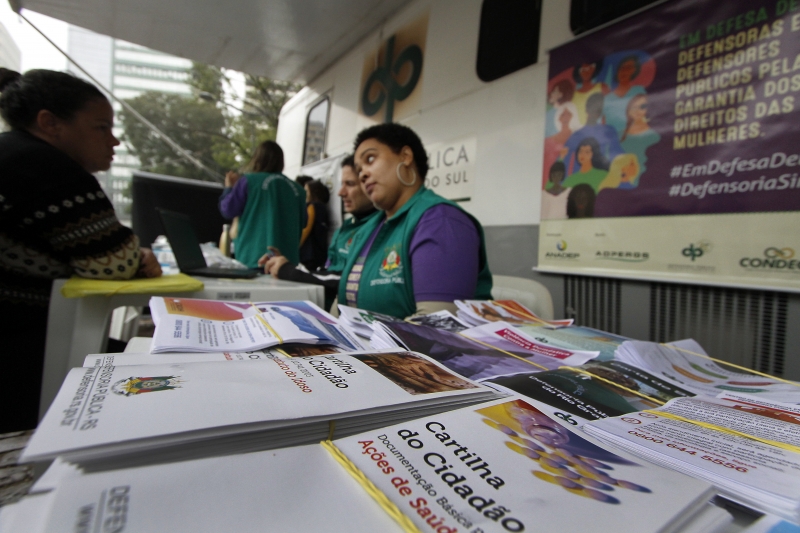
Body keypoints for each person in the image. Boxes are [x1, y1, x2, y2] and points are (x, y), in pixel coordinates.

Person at [0, 68, 162, 432]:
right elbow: (114, 262)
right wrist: (137, 258)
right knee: (162, 373)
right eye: (101, 127)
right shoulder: (45, 166)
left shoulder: (15, 153)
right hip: (20, 349)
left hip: (23, 331)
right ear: (50, 123)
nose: (114, 140)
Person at [338, 123, 492, 319]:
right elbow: (340, 306)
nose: (363, 174)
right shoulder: (367, 229)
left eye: (370, 159)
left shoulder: (441, 222)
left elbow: (435, 326)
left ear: (406, 157)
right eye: (359, 170)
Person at [261, 155, 378, 309]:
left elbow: (352, 281)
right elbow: (327, 273)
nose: (341, 192)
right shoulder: (346, 227)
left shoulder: (381, 228)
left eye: (350, 184)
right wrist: (285, 265)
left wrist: (291, 271)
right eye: (341, 184)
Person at [218, 140, 306, 268]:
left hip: (252, 259)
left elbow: (228, 210)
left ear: (257, 159)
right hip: (285, 265)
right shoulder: (299, 190)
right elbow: (303, 222)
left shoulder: (248, 181)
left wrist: (229, 188)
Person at [299, 179, 331, 272]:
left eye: (306, 191)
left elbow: (306, 228)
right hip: (319, 253)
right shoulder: (323, 207)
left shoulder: (312, 206)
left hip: (308, 254)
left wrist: (297, 246)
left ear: (313, 192)